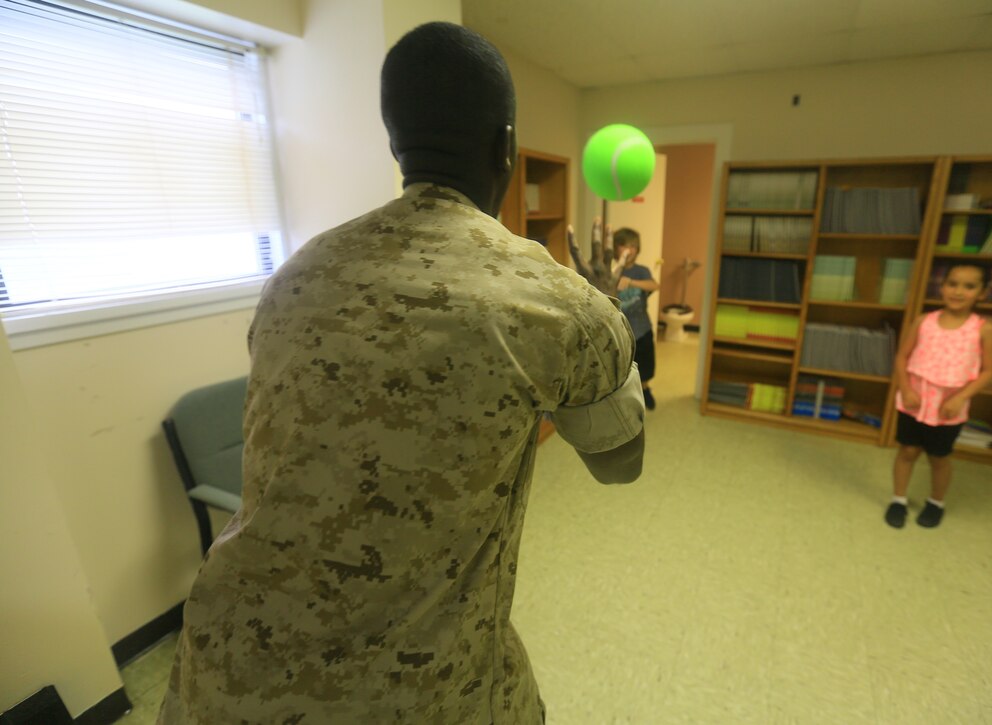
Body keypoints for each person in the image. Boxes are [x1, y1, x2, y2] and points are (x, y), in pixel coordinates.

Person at [159, 22, 645, 725]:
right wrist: (611, 327)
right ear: (505, 146)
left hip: (224, 669)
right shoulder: (555, 300)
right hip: (421, 693)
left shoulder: (293, 278)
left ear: (395, 143)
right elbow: (618, 463)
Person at [885, 263, 992, 529]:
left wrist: (961, 397)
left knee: (938, 456)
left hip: (949, 407)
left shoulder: (984, 329)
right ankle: (898, 499)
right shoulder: (923, 321)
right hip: (915, 401)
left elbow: (990, 370)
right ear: (942, 286)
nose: (958, 292)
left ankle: (936, 502)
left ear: (982, 293)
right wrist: (906, 388)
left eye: (969, 287)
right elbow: (902, 357)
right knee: (908, 450)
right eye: (953, 284)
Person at [612, 227, 660, 410]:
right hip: (620, 332)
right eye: (623, 245)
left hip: (642, 329)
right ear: (615, 248)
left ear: (637, 249)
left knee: (646, 364)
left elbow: (654, 285)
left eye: (633, 246)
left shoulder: (641, 271)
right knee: (621, 367)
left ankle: (646, 390)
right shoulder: (611, 269)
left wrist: (630, 282)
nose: (628, 250)